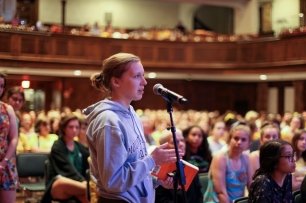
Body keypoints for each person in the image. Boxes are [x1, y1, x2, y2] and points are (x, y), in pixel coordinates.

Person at [83, 52, 180, 203]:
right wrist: (153, 159)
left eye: (143, 75)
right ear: (116, 81)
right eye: (137, 76)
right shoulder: (109, 121)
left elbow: (135, 164)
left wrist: (157, 180)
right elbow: (114, 182)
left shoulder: (132, 114)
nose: (144, 82)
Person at [41, 114, 90, 203]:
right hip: (58, 186)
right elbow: (67, 169)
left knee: (84, 195)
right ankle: (90, 188)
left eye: (77, 127)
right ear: (64, 128)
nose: (74, 130)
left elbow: (90, 165)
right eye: (70, 127)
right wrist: (83, 182)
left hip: (79, 185)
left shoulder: (80, 147)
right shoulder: (57, 146)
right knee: (63, 182)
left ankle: (89, 188)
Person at [204, 124, 252, 203]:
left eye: (243, 140)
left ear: (249, 143)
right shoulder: (220, 158)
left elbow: (251, 187)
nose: (239, 142)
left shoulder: (247, 158)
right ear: (229, 139)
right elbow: (220, 193)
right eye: (236, 138)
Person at [155, 129, 203, 203]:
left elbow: (199, 196)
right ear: (164, 147)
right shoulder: (159, 170)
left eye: (182, 140)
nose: (181, 144)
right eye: (175, 142)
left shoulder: (191, 167)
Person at [0, 73, 19, 203]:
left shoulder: (7, 109)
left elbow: (14, 138)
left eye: (1, 86)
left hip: (5, 164)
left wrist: (4, 162)